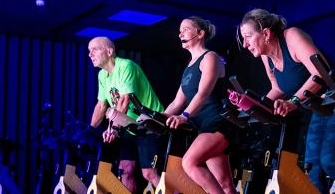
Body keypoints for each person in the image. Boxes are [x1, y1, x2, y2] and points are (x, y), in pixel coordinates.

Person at [235, 8, 335, 192]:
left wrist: (292, 101)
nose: (245, 44)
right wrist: (252, 106)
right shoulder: (266, 57)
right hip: (320, 109)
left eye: (247, 36)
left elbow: (320, 73)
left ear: (266, 33)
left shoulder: (292, 37)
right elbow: (277, 88)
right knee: (312, 169)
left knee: (331, 162)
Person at [161, 16, 236, 194]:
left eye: (186, 29)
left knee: (190, 163)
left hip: (218, 122)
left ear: (200, 33)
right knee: (224, 183)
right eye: (180, 30)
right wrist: (155, 118)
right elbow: (177, 102)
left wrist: (184, 116)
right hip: (204, 126)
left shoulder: (211, 58)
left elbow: (203, 93)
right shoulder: (189, 66)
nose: (180, 33)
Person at [88, 36, 166, 192]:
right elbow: (101, 105)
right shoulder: (102, 75)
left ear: (109, 51)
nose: (90, 54)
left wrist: (113, 128)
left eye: (94, 49)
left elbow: (125, 101)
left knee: (149, 173)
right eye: (89, 51)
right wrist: (88, 131)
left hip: (150, 125)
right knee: (125, 169)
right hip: (130, 125)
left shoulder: (126, 66)